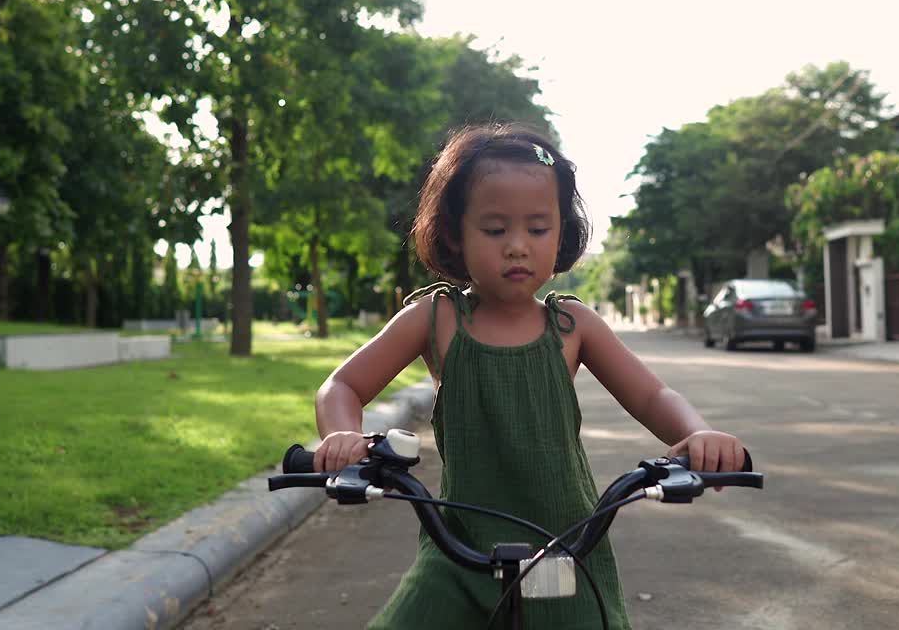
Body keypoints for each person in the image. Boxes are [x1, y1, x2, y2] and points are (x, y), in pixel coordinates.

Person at [313, 123, 746, 629]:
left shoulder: (572, 325)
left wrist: (696, 434)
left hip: (565, 552)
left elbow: (653, 395)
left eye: (538, 229)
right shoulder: (436, 319)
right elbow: (342, 385)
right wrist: (342, 436)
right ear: (455, 232)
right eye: (495, 230)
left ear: (562, 231)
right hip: (457, 559)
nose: (518, 246)